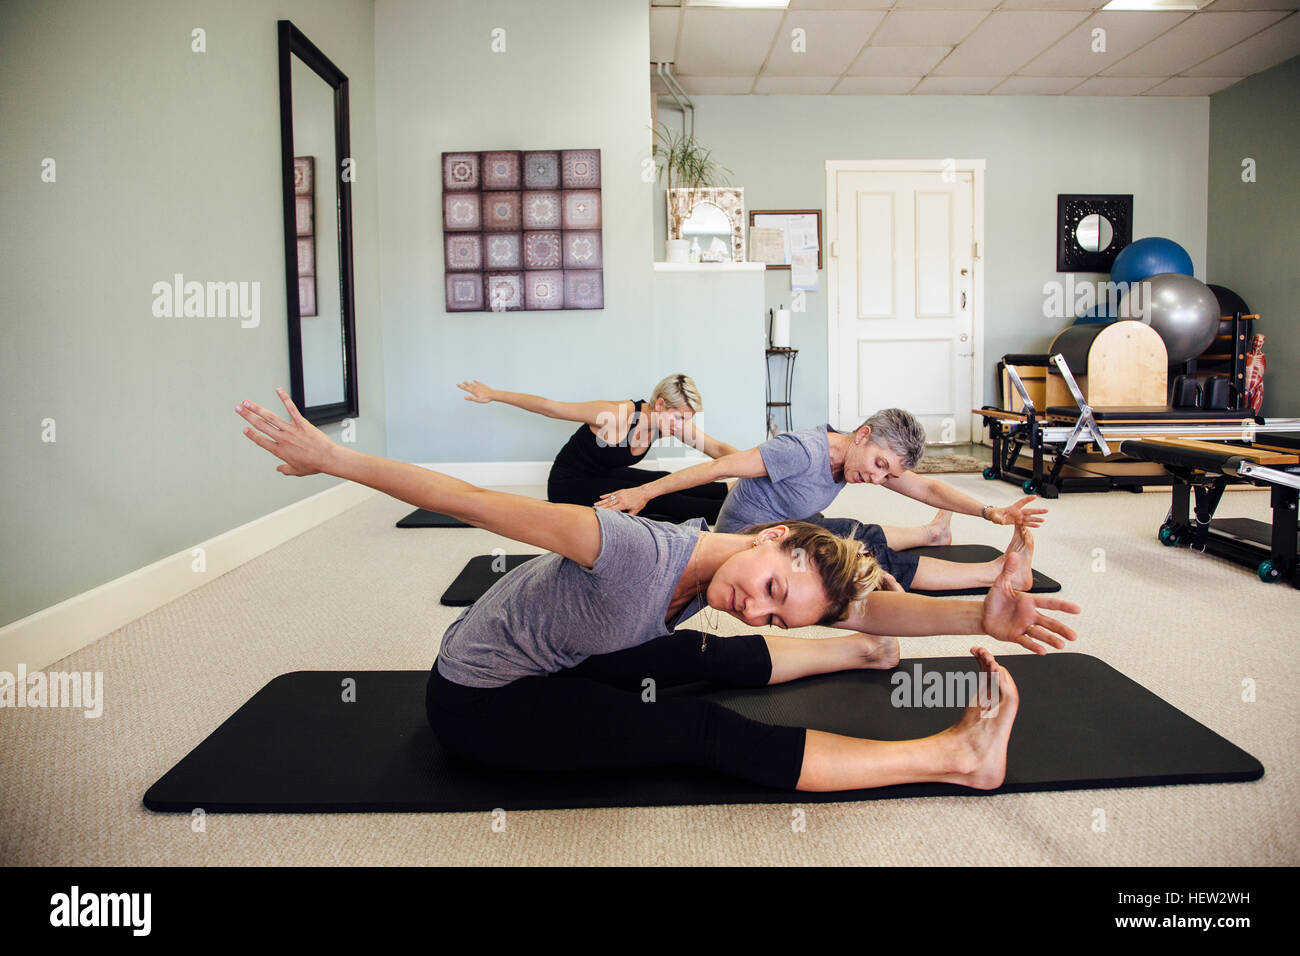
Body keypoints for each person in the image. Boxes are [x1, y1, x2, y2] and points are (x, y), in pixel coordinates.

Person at [235, 388, 1080, 793]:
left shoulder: (739, 554)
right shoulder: (628, 550)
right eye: (774, 589)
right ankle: (952, 758)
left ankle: (852, 656)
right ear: (774, 534)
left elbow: (870, 595)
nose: (760, 605)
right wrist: (334, 460)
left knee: (699, 650)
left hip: (578, 651)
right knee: (691, 727)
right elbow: (475, 503)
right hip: (483, 696)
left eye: (784, 615)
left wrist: (980, 615)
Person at [597, 408, 1049, 594]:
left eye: (886, 473)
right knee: (863, 552)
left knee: (852, 526)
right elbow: (721, 468)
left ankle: (933, 532)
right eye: (878, 465)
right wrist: (643, 491)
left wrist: (993, 512)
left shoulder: (854, 459)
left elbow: (926, 487)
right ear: (863, 435)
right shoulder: (800, 451)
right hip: (747, 542)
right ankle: (994, 573)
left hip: (791, 525)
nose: (877, 479)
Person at [456, 374, 735, 523]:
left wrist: (761, 464)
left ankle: (733, 495)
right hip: (570, 485)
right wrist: (493, 394)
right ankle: (736, 514)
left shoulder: (668, 422)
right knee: (659, 499)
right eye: (678, 418)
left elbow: (715, 448)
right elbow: (550, 408)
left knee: (661, 479)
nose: (681, 426)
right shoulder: (614, 415)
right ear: (660, 404)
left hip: (603, 478)